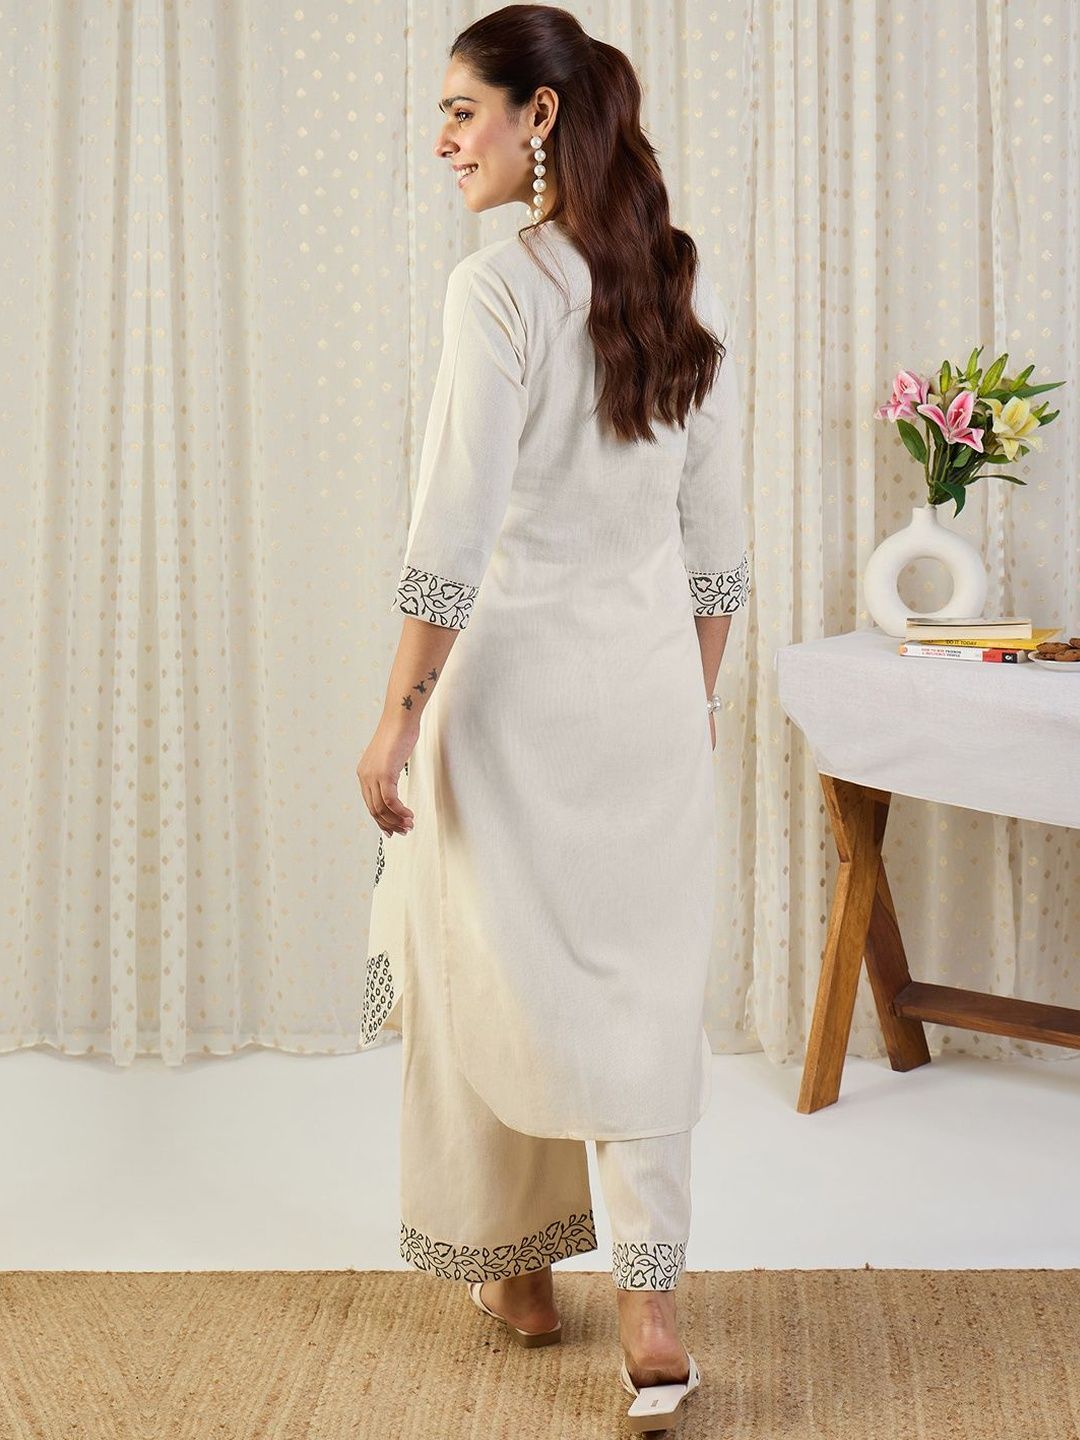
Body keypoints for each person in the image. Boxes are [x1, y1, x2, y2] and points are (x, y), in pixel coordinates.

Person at [356, 5, 749, 1430]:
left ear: (539, 116)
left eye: (461, 109)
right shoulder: (676, 280)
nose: (441, 139)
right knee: (639, 1002)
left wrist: (396, 717)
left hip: (511, 703)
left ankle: (514, 1273)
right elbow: (719, 552)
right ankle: (648, 1311)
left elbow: (450, 535)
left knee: (480, 966)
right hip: (649, 705)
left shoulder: (498, 291)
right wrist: (691, 700)